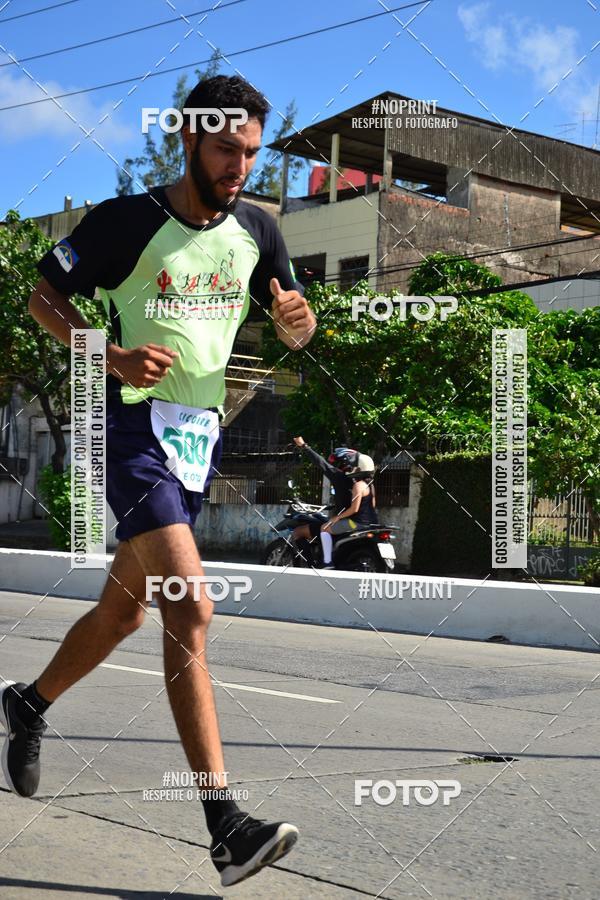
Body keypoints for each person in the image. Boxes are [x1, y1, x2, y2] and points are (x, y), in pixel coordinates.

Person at [1, 75, 316, 888]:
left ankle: (27, 704)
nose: (239, 165)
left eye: (250, 151)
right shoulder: (126, 222)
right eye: (224, 149)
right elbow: (42, 296)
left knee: (123, 613)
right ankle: (225, 826)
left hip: (197, 441)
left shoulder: (259, 232)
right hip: (129, 426)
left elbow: (294, 317)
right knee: (192, 602)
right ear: (187, 140)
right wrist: (105, 353)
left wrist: (298, 324)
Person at [293, 439, 378, 568]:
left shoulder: (347, 480)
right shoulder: (369, 485)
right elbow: (372, 504)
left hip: (354, 522)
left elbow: (321, 463)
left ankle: (324, 563)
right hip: (370, 522)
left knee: (308, 530)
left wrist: (304, 446)